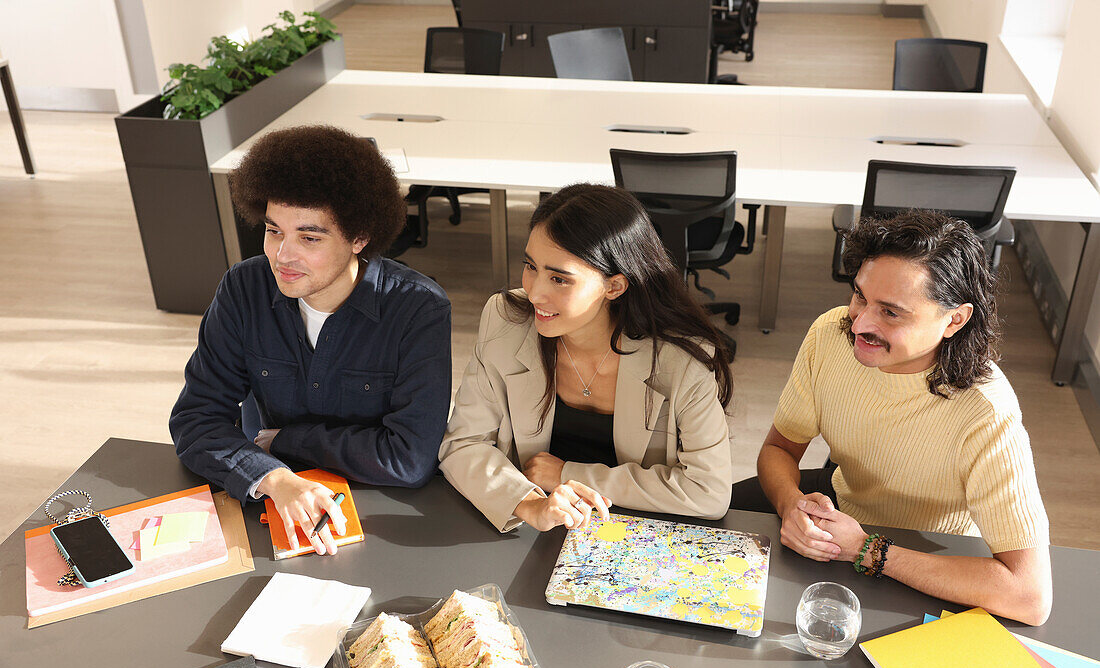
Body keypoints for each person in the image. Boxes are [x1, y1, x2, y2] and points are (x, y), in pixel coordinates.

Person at [732, 209, 1051, 625]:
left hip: (937, 552)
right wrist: (790, 504)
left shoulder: (986, 413)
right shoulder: (830, 335)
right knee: (713, 515)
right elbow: (779, 448)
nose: (860, 322)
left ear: (954, 320)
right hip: (845, 510)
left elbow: (1030, 596)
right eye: (860, 295)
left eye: (891, 312)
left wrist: (867, 550)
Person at [170, 125, 451, 556]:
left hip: (387, 514)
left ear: (360, 238)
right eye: (274, 231)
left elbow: (409, 460)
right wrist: (275, 478)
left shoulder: (417, 308)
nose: (283, 255)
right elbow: (195, 420)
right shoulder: (244, 288)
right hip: (269, 493)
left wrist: (285, 439)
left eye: (309, 237)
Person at [439, 183, 735, 533]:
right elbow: (463, 444)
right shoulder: (506, 320)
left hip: (636, 539)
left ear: (614, 286)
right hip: (530, 531)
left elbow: (709, 492)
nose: (534, 293)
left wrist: (568, 473)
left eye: (559, 279)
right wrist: (531, 504)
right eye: (530, 266)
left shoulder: (681, 359)